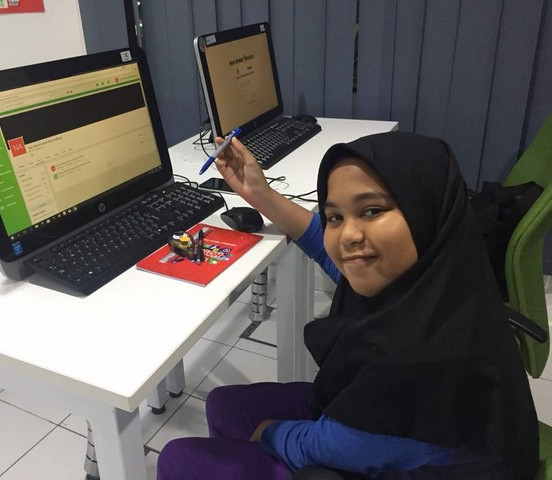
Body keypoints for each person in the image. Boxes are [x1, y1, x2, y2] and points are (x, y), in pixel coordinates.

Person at [157, 132, 539, 480]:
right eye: (335, 217)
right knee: (224, 405)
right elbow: (331, 254)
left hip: (403, 456)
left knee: (179, 459)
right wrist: (261, 195)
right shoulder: (438, 279)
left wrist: (269, 435)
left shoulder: (419, 362)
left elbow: (327, 445)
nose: (348, 235)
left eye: (371, 211)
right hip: (382, 434)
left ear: (424, 211)